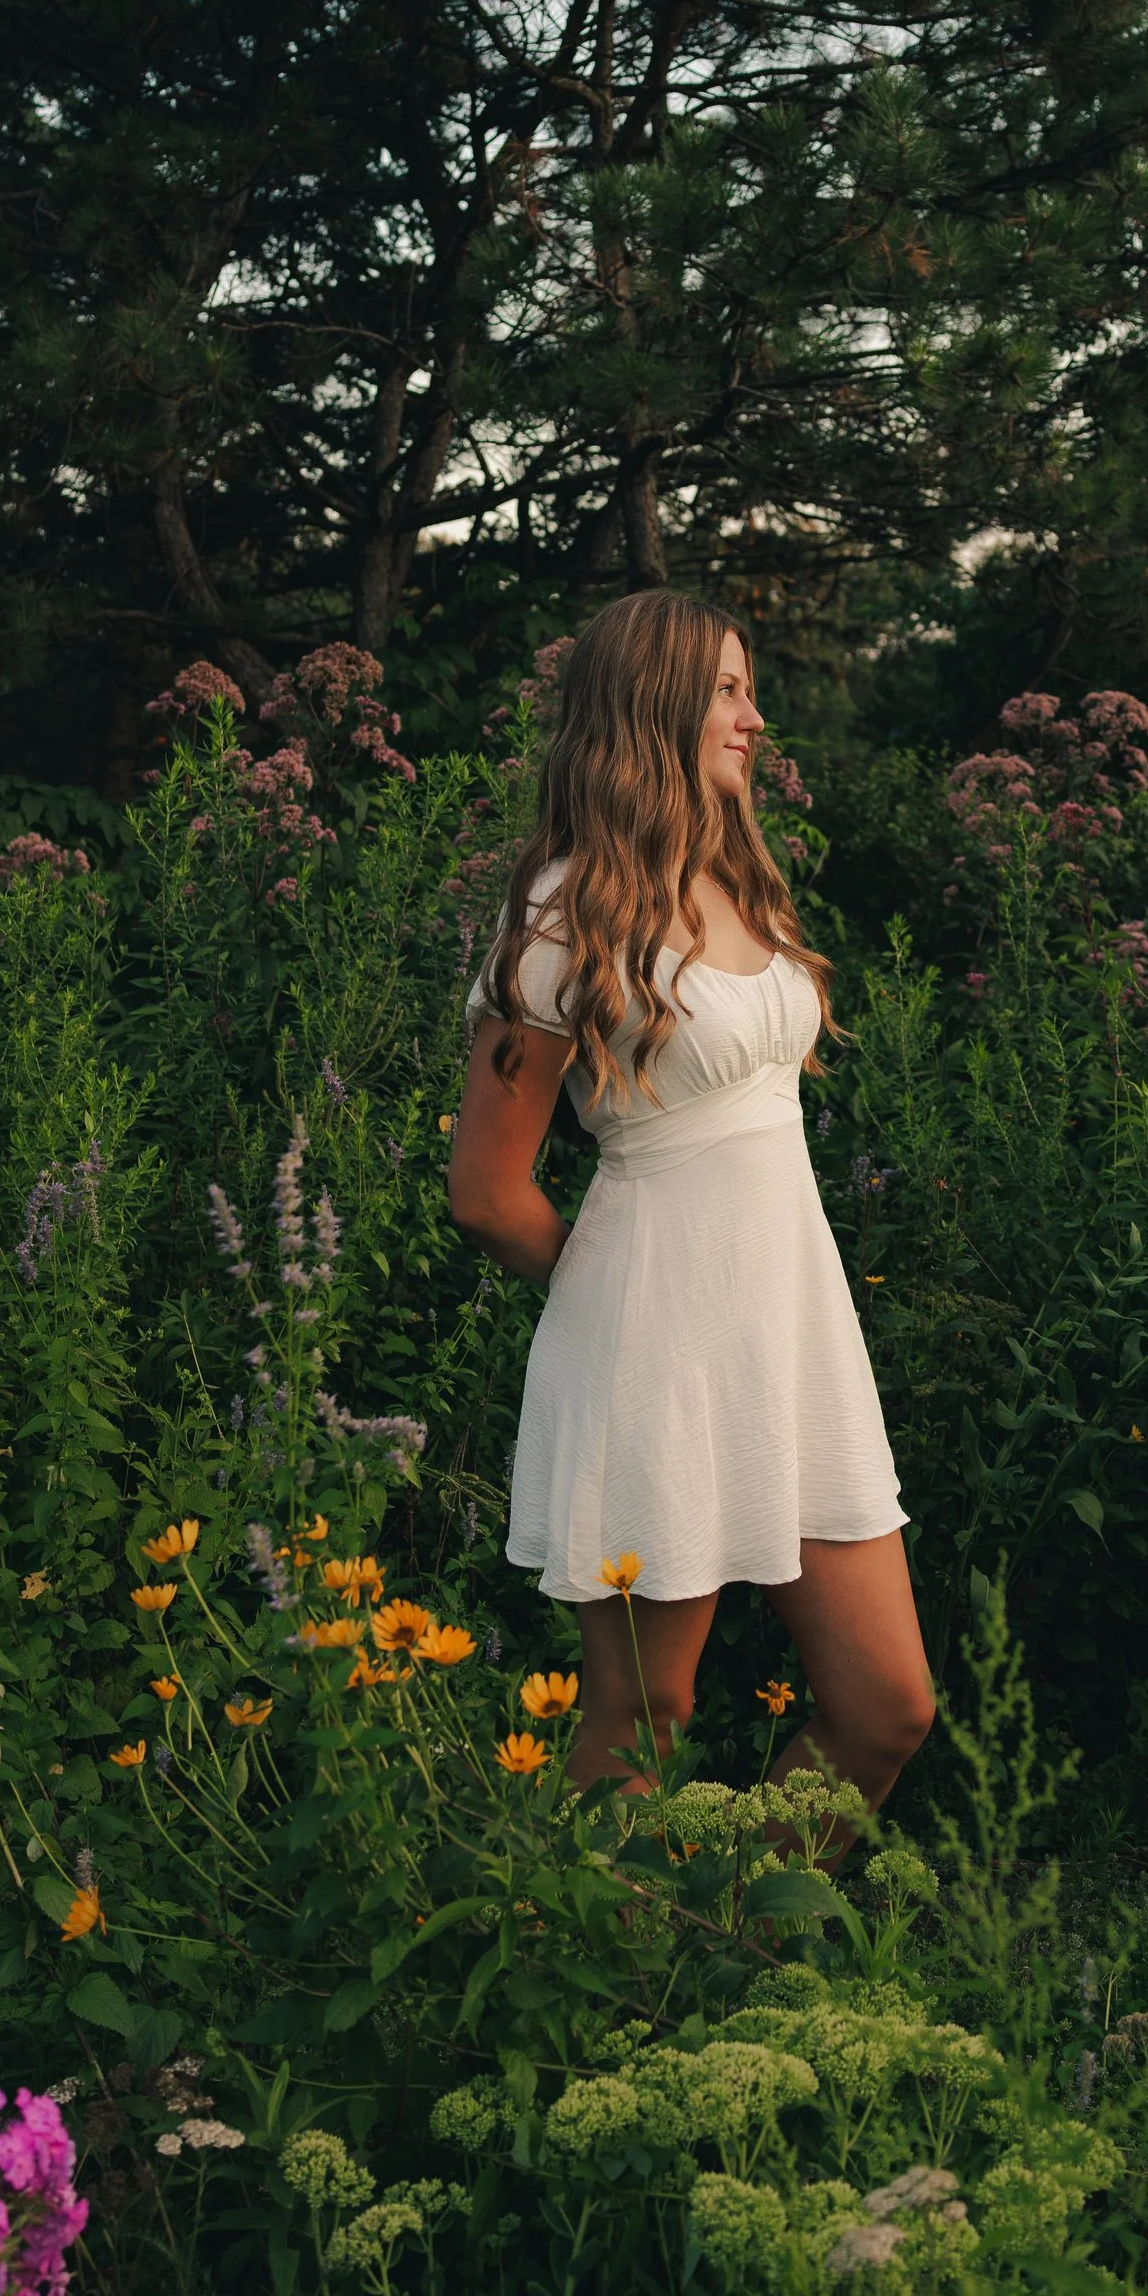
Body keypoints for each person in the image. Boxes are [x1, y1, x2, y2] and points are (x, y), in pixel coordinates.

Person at [447, 590, 933, 1811]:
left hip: (795, 1341)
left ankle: (742, 1961)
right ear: (652, 701)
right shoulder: (559, 915)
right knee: (645, 1718)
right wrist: (634, 1317)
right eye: (725, 689)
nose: (753, 717)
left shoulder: (737, 878)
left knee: (887, 1707)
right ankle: (605, 1993)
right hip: (654, 1347)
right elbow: (487, 1192)